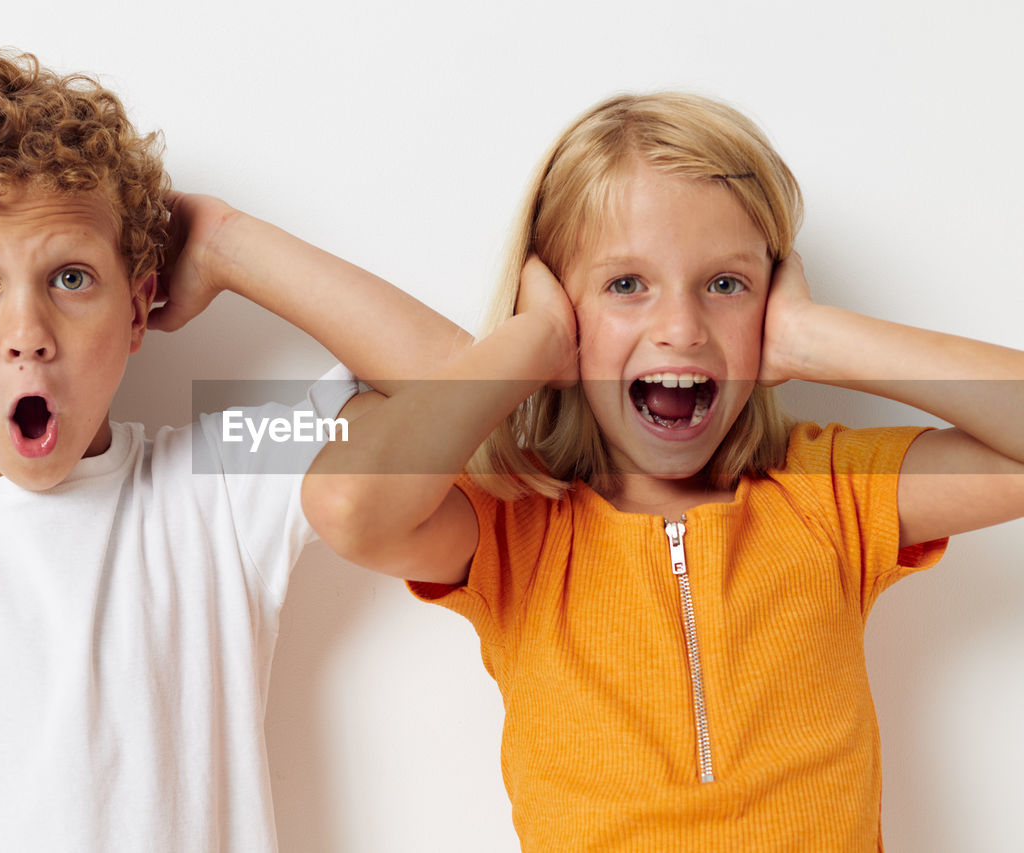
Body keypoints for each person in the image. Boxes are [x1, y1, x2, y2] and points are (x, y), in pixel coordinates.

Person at [0, 50, 466, 851]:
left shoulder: (219, 482)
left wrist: (227, 244)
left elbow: (472, 390)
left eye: (72, 278)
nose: (28, 336)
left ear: (137, 311)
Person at [302, 92, 1024, 850]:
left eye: (725, 284)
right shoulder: (515, 530)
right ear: (560, 310)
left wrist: (818, 338)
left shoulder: (830, 493)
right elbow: (351, 505)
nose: (681, 328)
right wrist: (531, 343)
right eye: (625, 285)